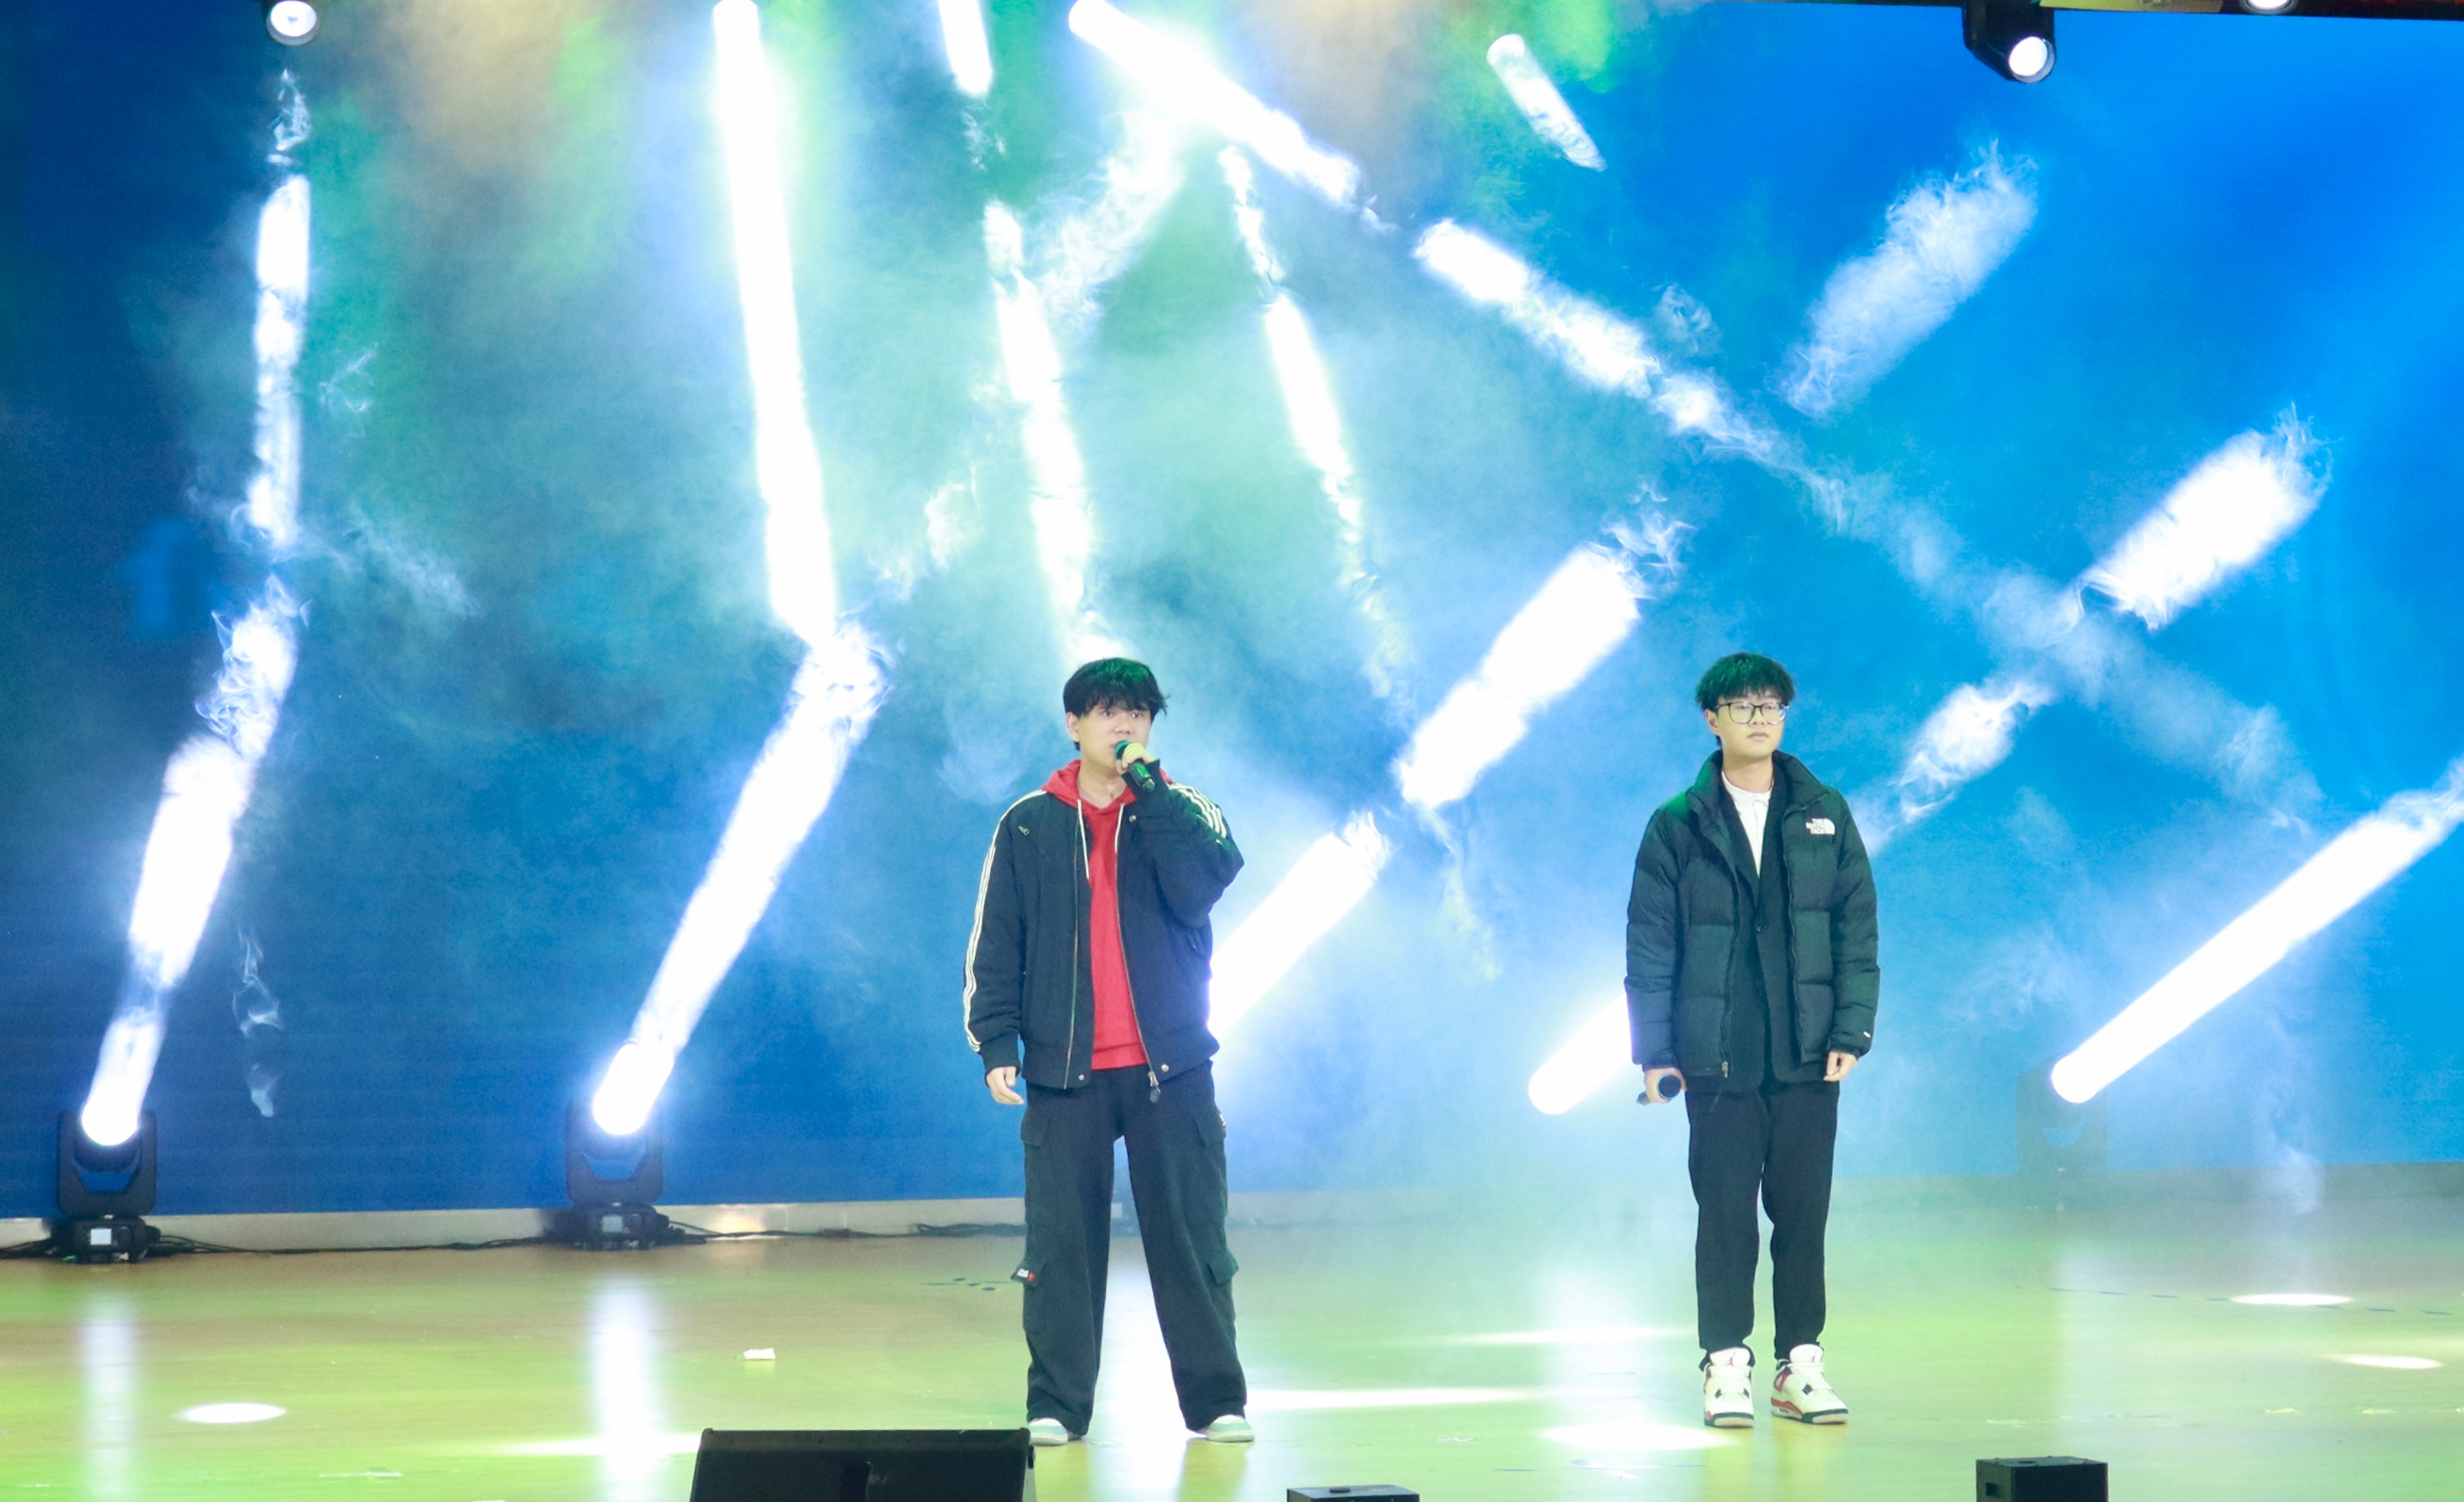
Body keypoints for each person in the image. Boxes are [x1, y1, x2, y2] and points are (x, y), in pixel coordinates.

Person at [963, 658, 1254, 1448]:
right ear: (1074, 723)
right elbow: (998, 940)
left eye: (1138, 712)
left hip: (1171, 1070)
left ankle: (1216, 1400)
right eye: (1107, 711)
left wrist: (1149, 791)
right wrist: (996, 1040)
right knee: (1061, 1249)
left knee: (1192, 1240)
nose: (1124, 725)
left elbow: (1204, 882)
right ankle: (1057, 1406)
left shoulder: (1181, 807)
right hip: (1067, 1071)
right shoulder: (1028, 822)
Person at [1624, 652, 1878, 1429]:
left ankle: (1800, 1365)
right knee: (1727, 1217)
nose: (1760, 718)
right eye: (1743, 706)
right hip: (1718, 1056)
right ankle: (1725, 1363)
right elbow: (1650, 944)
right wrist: (1656, 1052)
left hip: (1807, 1053)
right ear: (1713, 718)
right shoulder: (1678, 821)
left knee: (1803, 1217)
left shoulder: (1824, 811)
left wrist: (1852, 1027)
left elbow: (1857, 927)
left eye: (1772, 705)